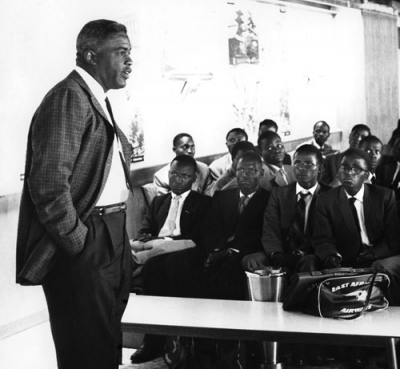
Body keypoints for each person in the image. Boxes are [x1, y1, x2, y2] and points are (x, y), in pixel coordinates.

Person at [16, 20, 134, 369]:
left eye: (131, 53)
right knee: (86, 349)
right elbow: (49, 184)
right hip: (88, 238)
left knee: (107, 341)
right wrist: (79, 242)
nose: (130, 62)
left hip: (111, 233)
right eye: (121, 52)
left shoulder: (95, 97)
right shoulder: (68, 97)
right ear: (90, 54)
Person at [313, 148, 400, 368]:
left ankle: (385, 342)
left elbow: (394, 241)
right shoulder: (326, 200)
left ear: (367, 174)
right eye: (344, 167)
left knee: (382, 270)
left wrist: (374, 254)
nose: (349, 173)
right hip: (346, 259)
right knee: (336, 278)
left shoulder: (384, 196)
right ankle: (347, 350)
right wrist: (331, 256)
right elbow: (322, 239)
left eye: (356, 169)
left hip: (378, 256)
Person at [130, 155, 210, 364]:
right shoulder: (159, 201)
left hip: (186, 250)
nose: (178, 180)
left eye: (184, 176)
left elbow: (200, 239)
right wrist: (147, 240)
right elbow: (144, 231)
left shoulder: (203, 203)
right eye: (174, 174)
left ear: (193, 179)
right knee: (153, 266)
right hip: (156, 246)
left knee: (162, 265)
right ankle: (153, 341)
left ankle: (178, 341)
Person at [202, 151, 270, 368]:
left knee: (226, 273)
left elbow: (261, 235)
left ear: (261, 173)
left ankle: (228, 352)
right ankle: (197, 348)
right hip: (219, 252)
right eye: (241, 170)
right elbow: (211, 229)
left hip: (245, 254)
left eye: (252, 170)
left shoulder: (269, 199)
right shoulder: (223, 196)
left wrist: (232, 251)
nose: (246, 175)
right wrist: (216, 248)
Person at [242, 145, 331, 275]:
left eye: (308, 164)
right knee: (251, 261)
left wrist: (303, 251)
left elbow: (326, 234)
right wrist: (276, 254)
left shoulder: (329, 194)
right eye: (297, 163)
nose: (301, 168)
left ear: (320, 168)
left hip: (312, 252)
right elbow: (270, 228)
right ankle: (264, 295)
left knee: (309, 261)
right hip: (283, 252)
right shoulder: (279, 193)